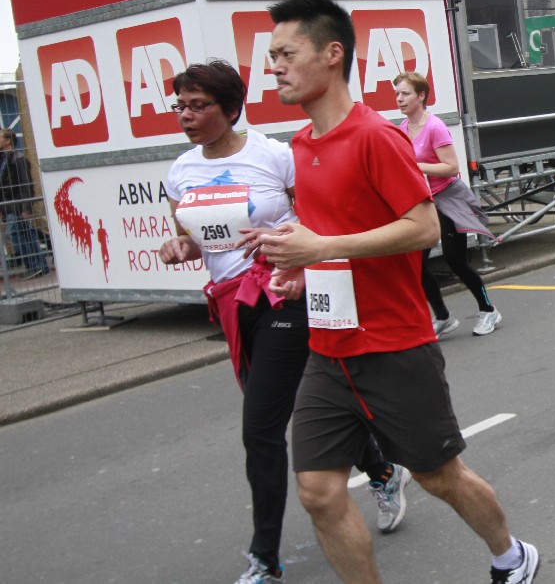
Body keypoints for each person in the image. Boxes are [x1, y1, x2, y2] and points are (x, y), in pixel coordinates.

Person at [255, 0, 539, 584]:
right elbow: (331, 236)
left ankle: (511, 555)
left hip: (394, 344)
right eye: (271, 55)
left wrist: (321, 249)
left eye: (286, 53)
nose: (273, 66)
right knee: (317, 491)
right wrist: (302, 268)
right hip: (329, 349)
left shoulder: (374, 137)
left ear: (332, 54)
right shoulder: (301, 148)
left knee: (439, 477)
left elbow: (424, 228)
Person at [157, 61, 408, 584]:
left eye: (198, 105)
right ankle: (382, 469)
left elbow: (319, 217)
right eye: (180, 105)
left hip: (287, 295)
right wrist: (179, 246)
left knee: (261, 428)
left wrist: (289, 246)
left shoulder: (274, 156)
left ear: (231, 108)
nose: (186, 115)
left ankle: (265, 558)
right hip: (234, 304)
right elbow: (194, 237)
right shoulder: (180, 171)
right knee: (298, 404)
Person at [393, 71, 500, 338]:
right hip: (422, 202)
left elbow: (451, 167)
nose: (399, 99)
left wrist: (417, 166)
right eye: (397, 94)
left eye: (405, 93)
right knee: (416, 265)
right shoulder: (403, 128)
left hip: (447, 198)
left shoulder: (435, 127)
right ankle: (443, 317)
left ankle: (488, 310)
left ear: (421, 96)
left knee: (455, 261)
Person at [0, 129, 48, 279]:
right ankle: (37, 265)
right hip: (10, 206)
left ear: (8, 141)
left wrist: (26, 207)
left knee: (15, 233)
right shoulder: (4, 160)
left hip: (18, 205)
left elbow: (26, 184)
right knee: (26, 233)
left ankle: (36, 264)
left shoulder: (18, 159)